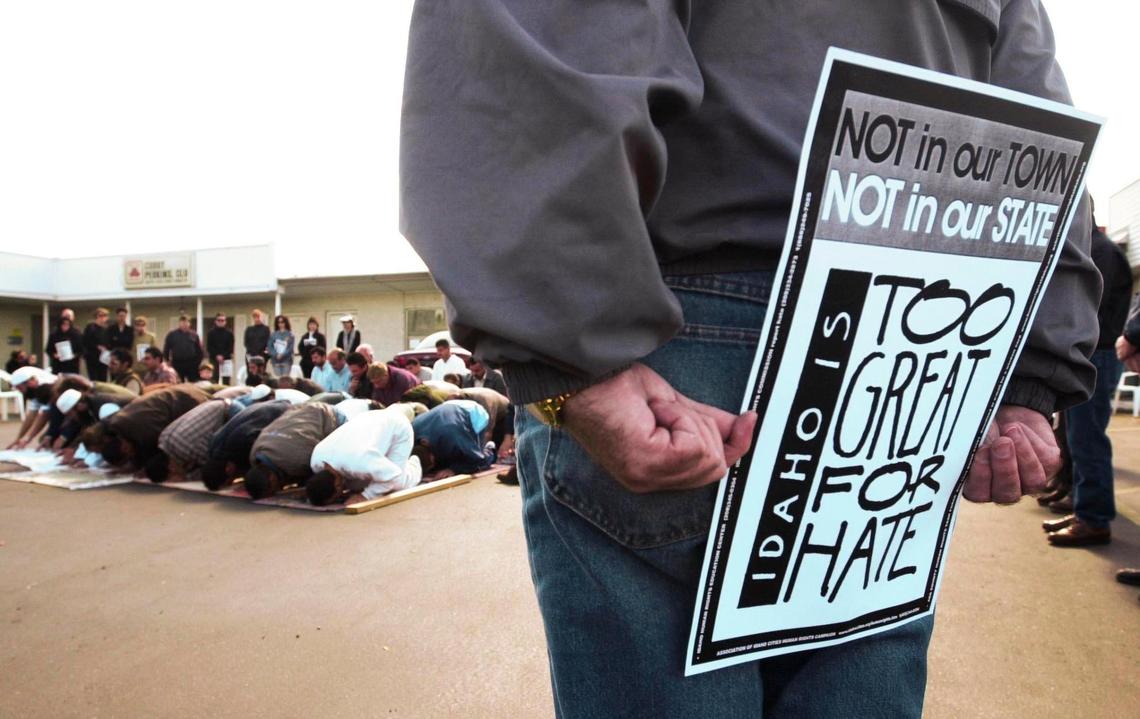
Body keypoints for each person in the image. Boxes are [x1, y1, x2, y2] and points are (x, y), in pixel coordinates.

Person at [401, 3, 1099, 716]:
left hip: (683, 332)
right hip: (902, 348)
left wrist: (571, 342)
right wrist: (1031, 370)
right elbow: (1037, 113)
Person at [1045, 220, 1131, 546]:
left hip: (1096, 354)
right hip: (1092, 354)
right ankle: (1084, 508)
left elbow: (1085, 306)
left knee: (1086, 440)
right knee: (1077, 438)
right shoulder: (1096, 248)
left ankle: (1092, 518)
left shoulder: (1100, 251)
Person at [307, 408, 425, 506]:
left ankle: (415, 464)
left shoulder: (358, 463)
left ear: (338, 486)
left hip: (397, 426)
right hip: (369, 419)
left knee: (398, 484)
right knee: (361, 484)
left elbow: (393, 477)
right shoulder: (315, 461)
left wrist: (366, 496)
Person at [98, 384, 210, 469]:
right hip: (177, 394)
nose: (131, 455)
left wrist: (144, 468)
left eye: (128, 456)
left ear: (125, 448)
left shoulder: (143, 432)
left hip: (188, 400)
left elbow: (162, 450)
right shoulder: (117, 425)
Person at [244, 402, 339, 499]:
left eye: (274, 490)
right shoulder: (255, 453)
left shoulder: (297, 462)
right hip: (301, 407)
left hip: (330, 415)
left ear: (272, 480)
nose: (278, 490)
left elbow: (320, 478)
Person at [201, 399, 293, 490]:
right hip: (268, 406)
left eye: (230, 482)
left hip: (282, 411)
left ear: (229, 469)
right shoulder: (214, 446)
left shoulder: (243, 444)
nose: (233, 481)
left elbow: (268, 451)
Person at [146, 399, 232, 483]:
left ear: (171, 468)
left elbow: (213, 467)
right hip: (216, 404)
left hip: (230, 411)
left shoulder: (187, 449)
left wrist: (186, 478)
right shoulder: (163, 439)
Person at [5, 366, 57, 449]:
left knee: (51, 441)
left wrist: (27, 439)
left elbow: (44, 415)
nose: (20, 391)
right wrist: (18, 438)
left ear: (29, 382)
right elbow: (32, 415)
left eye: (20, 388)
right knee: (45, 439)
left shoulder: (45, 386)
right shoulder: (33, 388)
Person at [164, 315, 204, 382]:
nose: (184, 324)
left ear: (189, 323)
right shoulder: (172, 335)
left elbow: (199, 350)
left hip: (191, 364)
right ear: (179, 323)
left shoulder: (194, 335)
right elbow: (166, 349)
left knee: (193, 383)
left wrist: (197, 362)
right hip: (177, 363)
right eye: (182, 322)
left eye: (186, 322)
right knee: (178, 384)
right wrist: (167, 361)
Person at [82, 308, 110, 382]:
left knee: (103, 379)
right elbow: (85, 341)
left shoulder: (107, 329)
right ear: (96, 317)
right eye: (100, 316)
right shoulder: (90, 327)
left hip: (103, 358)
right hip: (92, 357)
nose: (102, 318)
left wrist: (106, 348)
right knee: (94, 379)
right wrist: (97, 346)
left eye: (104, 316)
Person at [206, 313, 234, 384]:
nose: (221, 322)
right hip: (214, 359)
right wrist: (217, 356)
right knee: (214, 380)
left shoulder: (229, 333)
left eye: (223, 320)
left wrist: (223, 356)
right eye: (219, 320)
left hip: (226, 360)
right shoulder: (210, 333)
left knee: (226, 381)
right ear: (215, 321)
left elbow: (230, 347)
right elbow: (209, 347)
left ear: (225, 322)